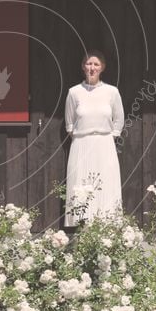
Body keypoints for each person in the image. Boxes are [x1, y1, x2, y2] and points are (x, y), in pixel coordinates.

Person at [64, 50, 124, 227]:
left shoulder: (111, 92)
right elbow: (69, 123)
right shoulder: (74, 92)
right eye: (89, 64)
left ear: (102, 67)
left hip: (105, 145)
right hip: (81, 144)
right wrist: (84, 138)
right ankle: (82, 226)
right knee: (81, 184)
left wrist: (106, 138)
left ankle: (107, 226)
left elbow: (118, 120)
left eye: (96, 64)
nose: (92, 67)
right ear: (83, 67)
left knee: (106, 184)